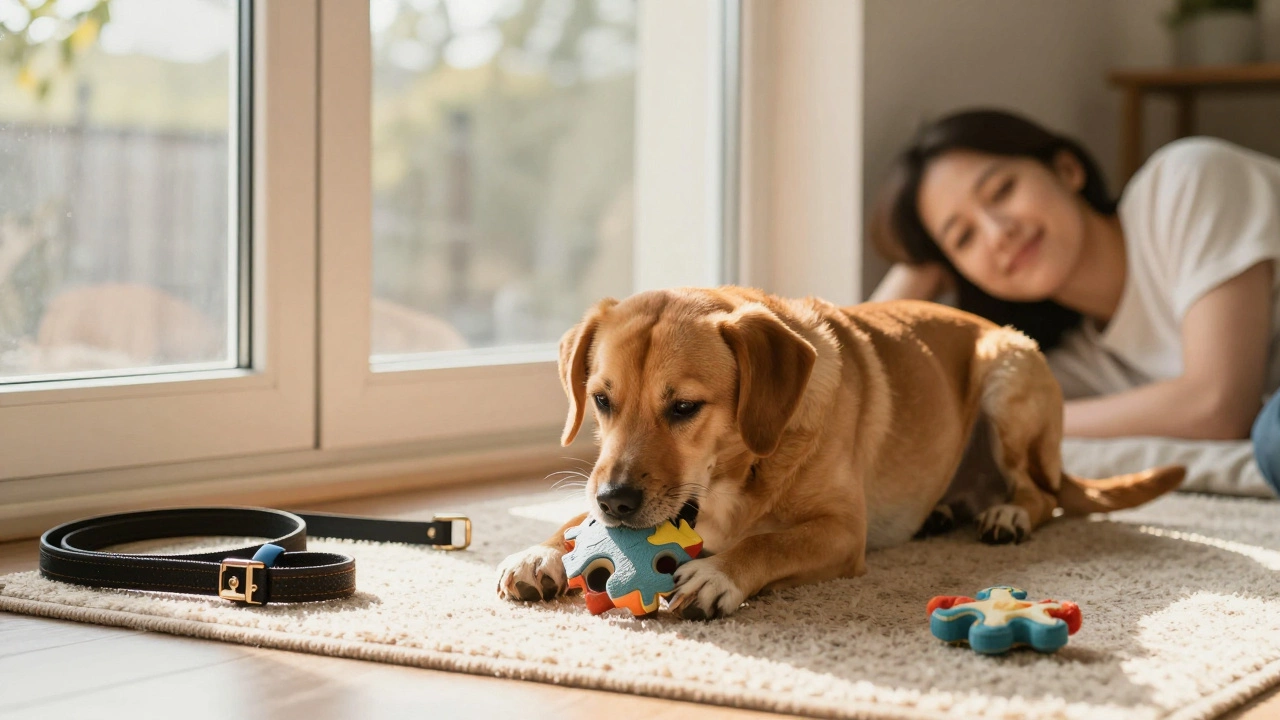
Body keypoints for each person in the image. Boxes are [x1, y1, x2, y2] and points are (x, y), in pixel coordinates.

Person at [867, 109, 1280, 495]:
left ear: (1067, 169)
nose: (998, 233)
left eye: (1003, 190)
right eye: (963, 238)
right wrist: (918, 270)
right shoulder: (1077, 364)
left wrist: (1026, 418)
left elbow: (1218, 405)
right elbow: (876, 409)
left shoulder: (1186, 181)